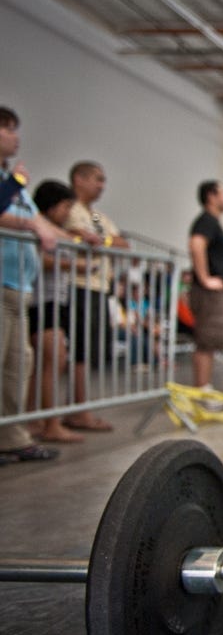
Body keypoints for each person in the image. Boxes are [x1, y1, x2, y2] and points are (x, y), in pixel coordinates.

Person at [0, 106, 66, 463]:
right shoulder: (12, 183)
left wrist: (74, 236)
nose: (16, 137)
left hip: (18, 286)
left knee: (17, 363)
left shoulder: (11, 181)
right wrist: (30, 225)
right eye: (8, 129)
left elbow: (39, 220)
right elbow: (28, 222)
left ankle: (12, 436)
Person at [63, 160, 129, 432]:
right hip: (79, 286)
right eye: (97, 179)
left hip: (99, 287)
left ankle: (80, 407)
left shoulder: (98, 217)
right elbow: (78, 236)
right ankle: (77, 410)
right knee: (78, 351)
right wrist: (101, 240)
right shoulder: (71, 210)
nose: (102, 186)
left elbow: (122, 244)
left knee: (88, 351)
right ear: (79, 179)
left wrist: (101, 240)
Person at [28, 180, 82, 443]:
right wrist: (77, 265)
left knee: (42, 364)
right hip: (42, 302)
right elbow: (43, 260)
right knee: (54, 360)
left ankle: (33, 418)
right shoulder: (40, 228)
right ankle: (50, 423)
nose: (67, 212)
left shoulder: (56, 231)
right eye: (65, 207)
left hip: (53, 301)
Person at [187, 180, 223, 389]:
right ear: (211, 196)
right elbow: (196, 245)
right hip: (210, 295)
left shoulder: (212, 222)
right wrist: (205, 278)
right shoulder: (206, 221)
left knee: (211, 343)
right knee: (206, 343)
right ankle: (202, 390)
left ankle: (205, 387)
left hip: (216, 293)